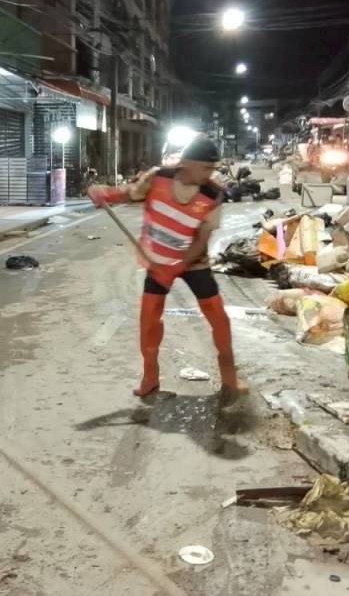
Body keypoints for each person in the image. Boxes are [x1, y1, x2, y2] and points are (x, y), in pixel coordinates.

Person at [88, 137, 248, 402]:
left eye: (212, 169)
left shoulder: (214, 195)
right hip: (158, 260)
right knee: (149, 320)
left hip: (194, 263)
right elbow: (130, 193)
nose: (210, 174)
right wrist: (105, 194)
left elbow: (201, 240)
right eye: (206, 168)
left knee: (218, 318)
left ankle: (230, 378)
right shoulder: (158, 177)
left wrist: (177, 267)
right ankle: (150, 379)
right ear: (187, 163)